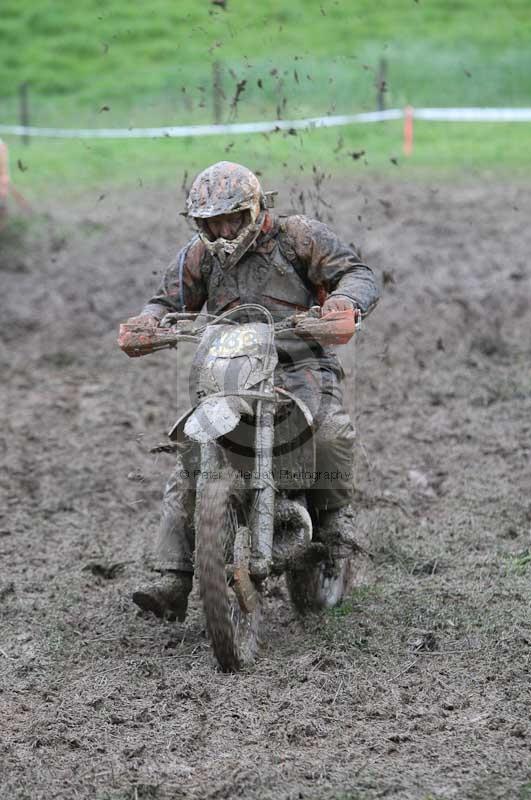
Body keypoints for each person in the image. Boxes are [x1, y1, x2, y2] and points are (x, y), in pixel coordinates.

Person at [123, 161, 380, 621]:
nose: (222, 230)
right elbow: (166, 301)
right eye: (211, 222)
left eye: (231, 218)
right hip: (230, 367)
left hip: (300, 362)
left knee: (328, 430)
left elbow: (358, 273)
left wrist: (343, 301)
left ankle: (335, 525)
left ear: (254, 208)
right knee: (194, 446)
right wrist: (149, 321)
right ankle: (174, 576)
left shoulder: (297, 237)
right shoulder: (198, 256)